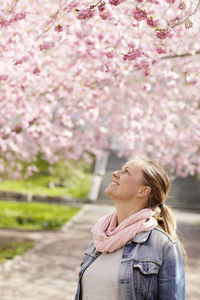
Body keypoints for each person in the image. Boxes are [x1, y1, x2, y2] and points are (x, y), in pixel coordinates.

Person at [74, 155, 186, 300]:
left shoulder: (164, 247)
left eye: (126, 171)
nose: (115, 173)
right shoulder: (100, 238)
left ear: (143, 191)